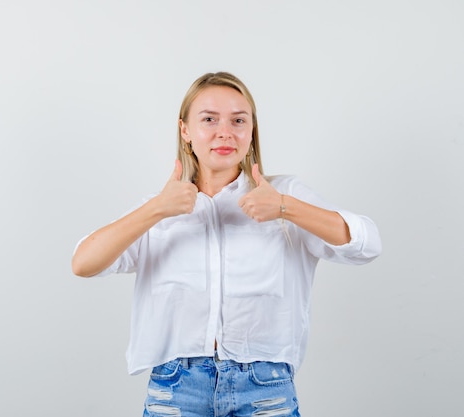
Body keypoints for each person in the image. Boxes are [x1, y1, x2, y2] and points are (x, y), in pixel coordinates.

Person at [71, 71, 381, 417]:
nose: (225, 132)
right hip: (176, 390)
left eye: (238, 120)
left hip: (264, 391)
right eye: (209, 119)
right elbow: (83, 263)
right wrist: (158, 208)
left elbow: (366, 244)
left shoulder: (284, 195)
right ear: (185, 130)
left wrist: (283, 207)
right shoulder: (161, 208)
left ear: (251, 131)